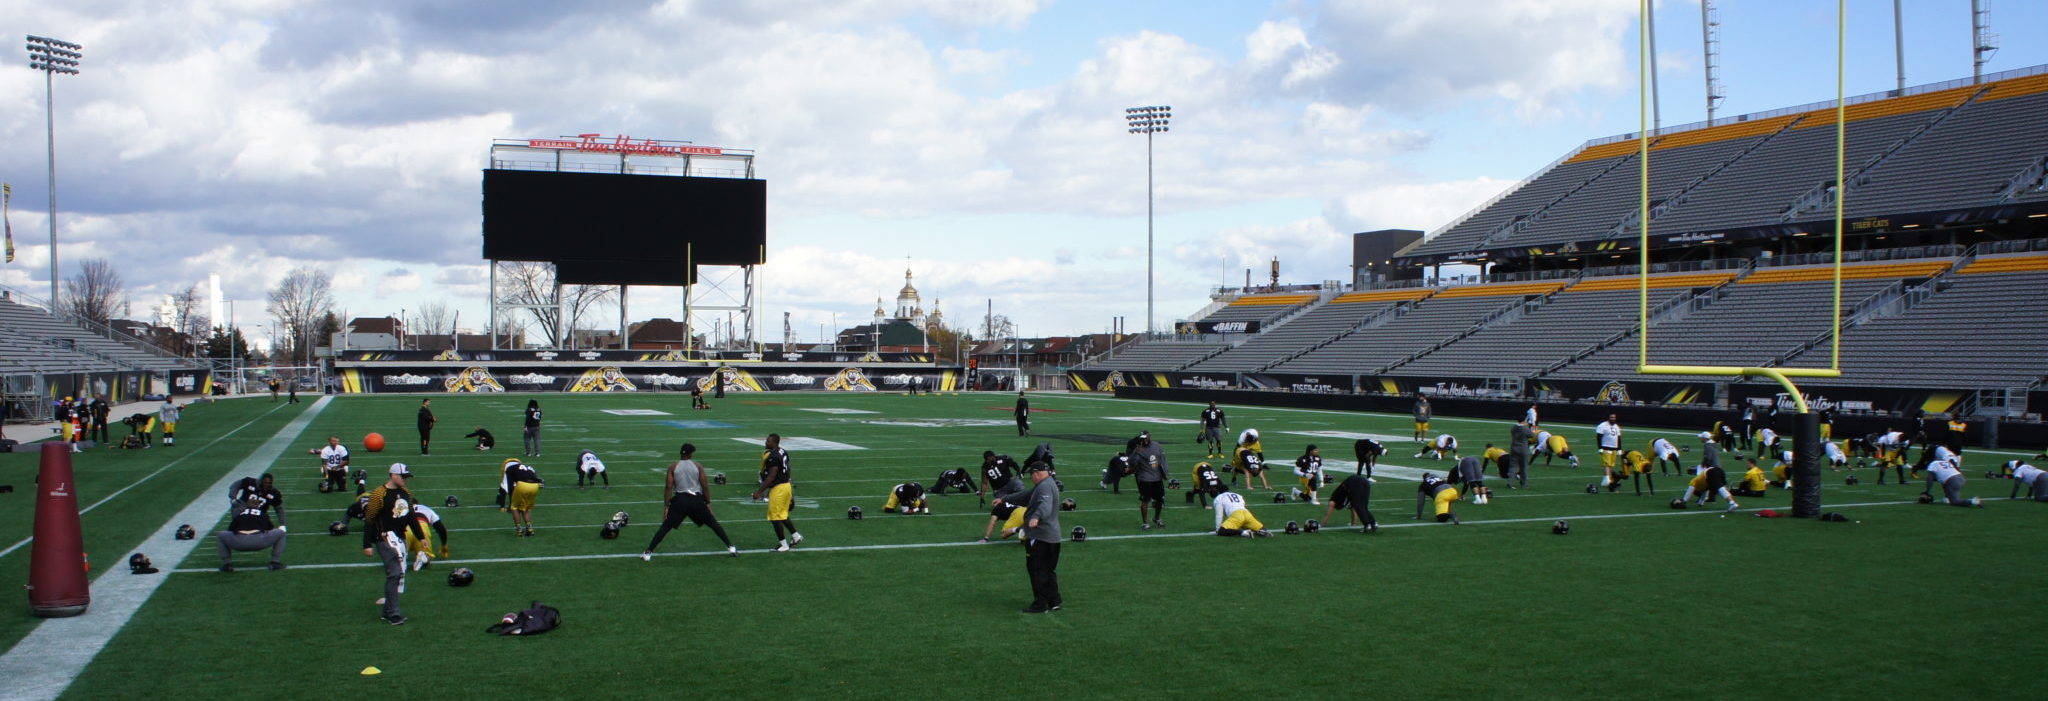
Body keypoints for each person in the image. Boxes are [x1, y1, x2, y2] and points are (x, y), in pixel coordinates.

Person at [643, 443, 738, 559]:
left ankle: (648, 553)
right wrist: (708, 503)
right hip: (696, 500)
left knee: (665, 527)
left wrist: (666, 506)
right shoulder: (698, 466)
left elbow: (669, 487)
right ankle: (731, 547)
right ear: (691, 454)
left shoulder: (673, 467)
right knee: (714, 524)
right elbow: (705, 486)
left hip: (680, 500)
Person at [362, 463, 416, 625]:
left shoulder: (405, 492)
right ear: (393, 475)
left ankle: (387, 611)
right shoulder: (379, 494)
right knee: (394, 573)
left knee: (398, 573)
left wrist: (421, 538)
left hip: (400, 537)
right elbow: (370, 519)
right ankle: (393, 613)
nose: (405, 479)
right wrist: (367, 544)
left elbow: (410, 516)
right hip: (384, 538)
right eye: (403, 476)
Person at [1018, 461, 1063, 613]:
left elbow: (1045, 505)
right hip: (1053, 536)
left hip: (1041, 536)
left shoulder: (1044, 487)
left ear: (1036, 473)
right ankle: (1054, 600)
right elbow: (1026, 495)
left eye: (1032, 474)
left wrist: (1036, 516)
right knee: (1048, 570)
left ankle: (1040, 604)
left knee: (1037, 570)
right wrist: (1005, 499)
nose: (1031, 478)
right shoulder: (1047, 484)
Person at [751, 433, 803, 552]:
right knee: (782, 514)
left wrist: (759, 492)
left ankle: (783, 545)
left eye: (769, 441)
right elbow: (788, 469)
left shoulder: (773, 457)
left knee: (774, 517)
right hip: (786, 486)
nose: (766, 443)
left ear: (775, 443)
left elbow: (771, 477)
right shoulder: (782, 451)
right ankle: (796, 536)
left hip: (779, 489)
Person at [217, 494, 287, 572]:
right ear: (258, 506)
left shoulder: (240, 514)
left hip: (239, 543)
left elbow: (231, 530)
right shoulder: (262, 514)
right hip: (259, 541)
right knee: (281, 533)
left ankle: (227, 564)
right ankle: (275, 562)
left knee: (221, 535)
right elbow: (270, 528)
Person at [497, 458, 545, 537]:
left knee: (514, 507)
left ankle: (519, 530)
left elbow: (509, 485)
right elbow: (535, 477)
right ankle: (530, 529)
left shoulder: (509, 469)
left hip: (522, 485)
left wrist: (511, 499)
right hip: (535, 486)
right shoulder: (528, 467)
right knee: (526, 508)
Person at [1130, 431, 1168, 530]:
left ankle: (1157, 518)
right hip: (1145, 478)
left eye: (1146, 438)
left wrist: (1164, 471)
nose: (1144, 440)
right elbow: (1132, 463)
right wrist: (1136, 453)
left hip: (1157, 477)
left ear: (1149, 437)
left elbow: (1162, 458)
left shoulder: (1156, 445)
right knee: (1145, 501)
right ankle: (1145, 522)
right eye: (1142, 438)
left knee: (1160, 499)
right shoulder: (1138, 449)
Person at [403, 504, 450, 571]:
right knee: (427, 556)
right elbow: (441, 529)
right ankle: (423, 556)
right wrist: (444, 545)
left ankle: (402, 556)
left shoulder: (402, 507)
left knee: (398, 556)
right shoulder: (426, 509)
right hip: (422, 530)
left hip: (406, 530)